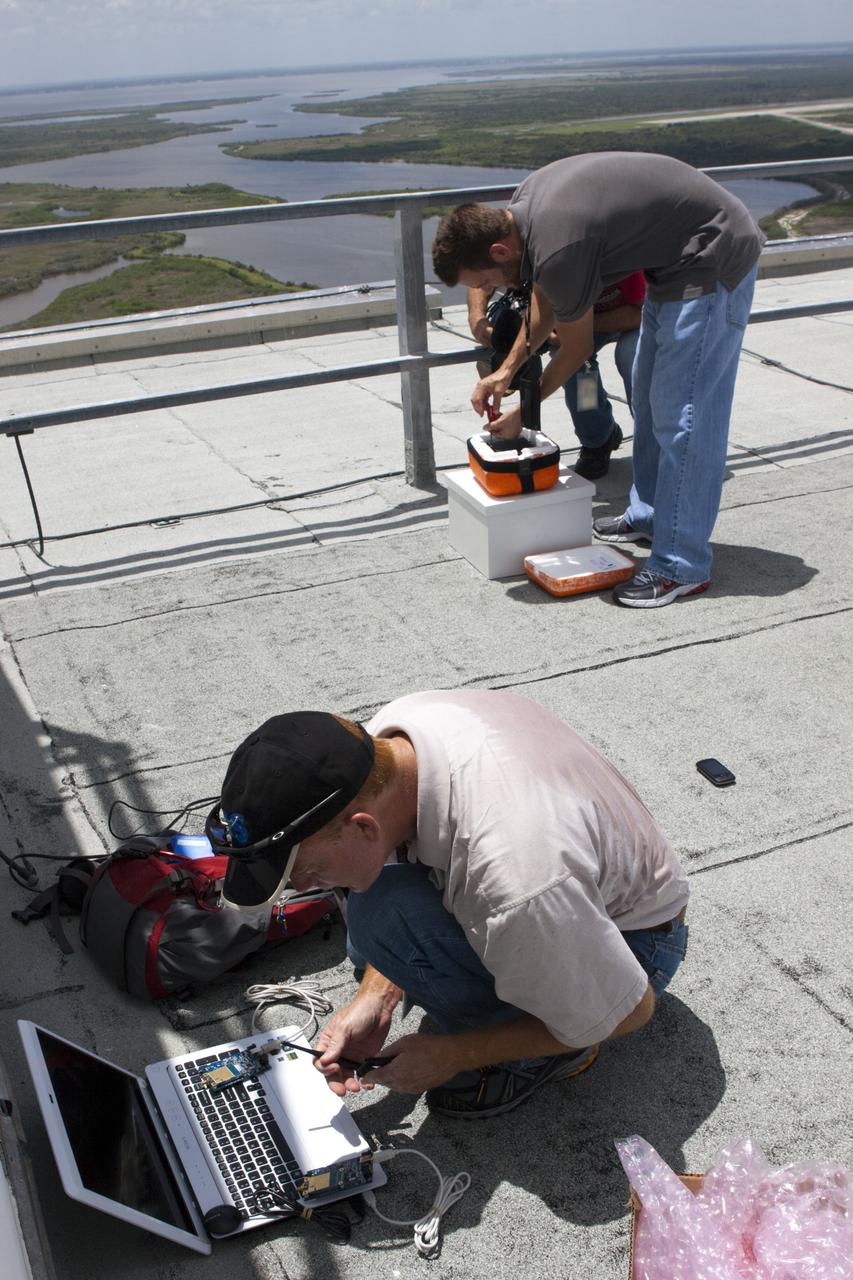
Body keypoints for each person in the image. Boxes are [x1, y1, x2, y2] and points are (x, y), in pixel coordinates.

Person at [210, 690, 690, 1120]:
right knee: (373, 931)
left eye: (306, 872)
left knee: (378, 918)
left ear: (363, 826)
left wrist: (450, 1054)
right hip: (565, 883)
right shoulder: (393, 740)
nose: (302, 885)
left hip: (636, 944)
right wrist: (377, 996)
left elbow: (630, 1010)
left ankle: (554, 1050)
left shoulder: (516, 881)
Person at [433, 152, 765, 608]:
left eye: (488, 279)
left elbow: (576, 348)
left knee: (684, 417)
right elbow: (545, 299)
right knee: (650, 401)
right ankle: (649, 516)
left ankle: (681, 565)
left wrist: (521, 415)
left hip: (712, 258)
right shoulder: (526, 211)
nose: (496, 289)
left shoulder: (559, 244)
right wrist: (506, 372)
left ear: (499, 250)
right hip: (673, 267)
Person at [467, 272, 646, 480]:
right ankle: (598, 438)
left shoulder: (610, 258)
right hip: (579, 318)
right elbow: (482, 271)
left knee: (633, 357)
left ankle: (651, 444)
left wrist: (571, 326)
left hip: (634, 317)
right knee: (581, 373)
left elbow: (637, 313)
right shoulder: (539, 254)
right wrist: (478, 321)